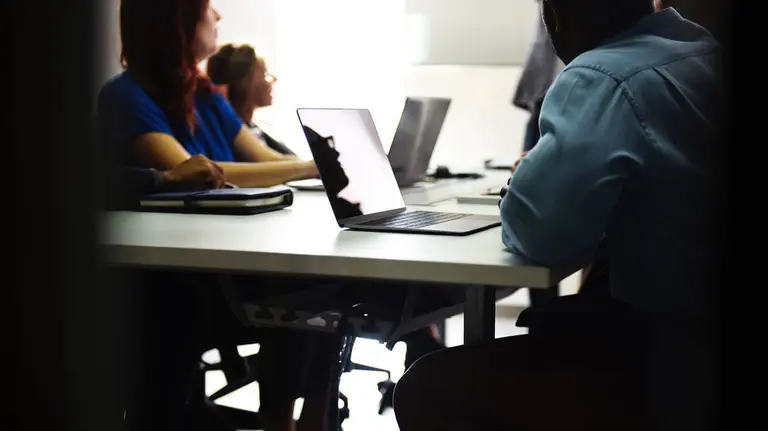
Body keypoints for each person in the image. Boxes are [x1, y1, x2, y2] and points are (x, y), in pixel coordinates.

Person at [394, 1, 721, 430]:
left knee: (428, 386)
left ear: (559, 17)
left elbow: (543, 235)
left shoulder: (601, 74)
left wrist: (521, 183)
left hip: (677, 364)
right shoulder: (703, 51)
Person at [98, 2, 340, 430]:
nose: (219, 17)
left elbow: (260, 159)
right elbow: (196, 171)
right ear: (177, 22)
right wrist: (311, 165)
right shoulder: (124, 95)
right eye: (208, 8)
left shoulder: (205, 93)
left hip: (232, 256)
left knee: (325, 279)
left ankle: (313, 421)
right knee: (303, 284)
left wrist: (310, 165)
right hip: (185, 276)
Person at [512, 0, 565, 307]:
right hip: (544, 93)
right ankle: (545, 322)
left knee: (537, 205)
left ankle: (546, 327)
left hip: (555, 89)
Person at [206, 43, 297, 156]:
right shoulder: (227, 140)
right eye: (265, 74)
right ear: (243, 83)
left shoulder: (258, 129)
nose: (274, 79)